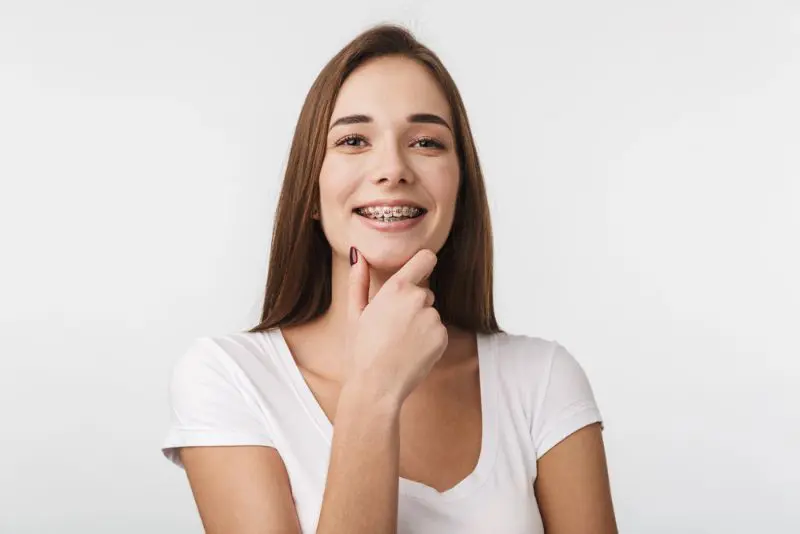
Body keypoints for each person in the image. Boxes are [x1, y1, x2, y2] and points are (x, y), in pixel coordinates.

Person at [161, 23, 618, 534]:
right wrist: (374, 391)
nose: (392, 168)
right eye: (354, 140)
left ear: (460, 188)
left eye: (425, 142)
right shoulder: (230, 378)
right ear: (310, 192)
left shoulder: (543, 380)